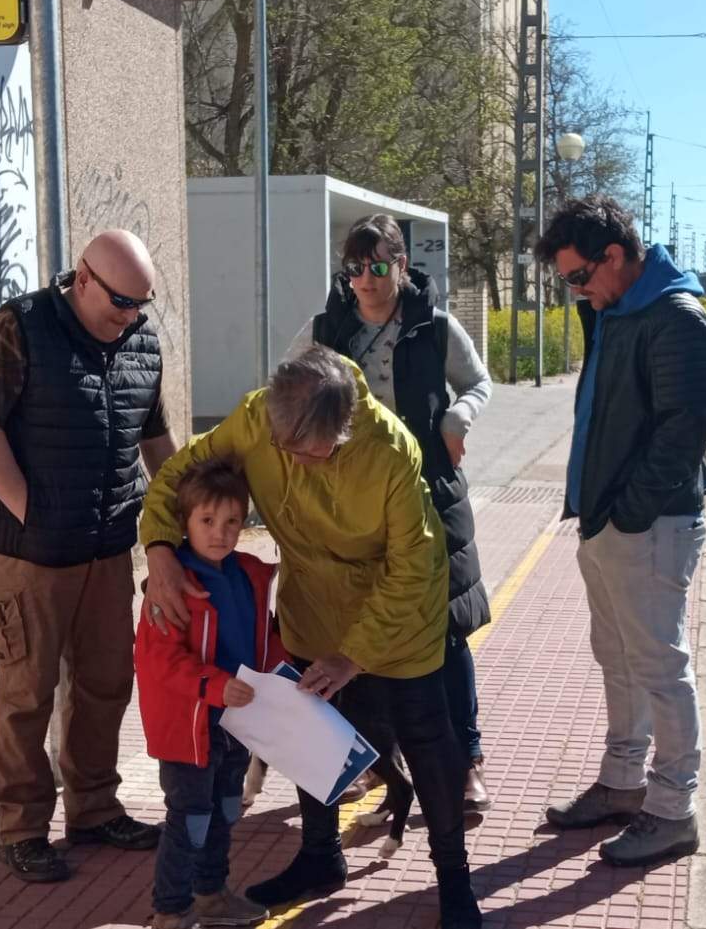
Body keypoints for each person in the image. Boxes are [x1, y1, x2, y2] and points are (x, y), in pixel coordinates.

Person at [139, 348, 481, 929]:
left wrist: (355, 656)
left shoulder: (393, 452)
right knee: (310, 734)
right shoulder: (257, 419)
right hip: (311, 607)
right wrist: (160, 548)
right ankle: (320, 856)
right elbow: (178, 476)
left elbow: (412, 570)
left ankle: (454, 879)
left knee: (427, 741)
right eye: (281, 448)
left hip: (399, 620)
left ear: (343, 434)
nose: (290, 460)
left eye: (308, 452)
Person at [0, 229, 174, 882]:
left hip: (108, 554)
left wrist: (183, 510)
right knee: (27, 693)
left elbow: (153, 436)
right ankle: (22, 828)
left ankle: (95, 808)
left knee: (106, 685)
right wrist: (28, 510)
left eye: (141, 304)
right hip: (33, 560)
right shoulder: (20, 327)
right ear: (83, 279)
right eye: (120, 301)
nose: (130, 316)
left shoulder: (140, 342)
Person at [532, 196, 706, 867]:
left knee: (660, 667)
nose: (577, 291)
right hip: (609, 521)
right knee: (619, 658)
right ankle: (622, 783)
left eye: (579, 276)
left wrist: (627, 510)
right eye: (568, 282)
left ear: (615, 256)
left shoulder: (677, 320)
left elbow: (683, 432)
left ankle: (672, 809)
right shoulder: (615, 311)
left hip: (649, 524)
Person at [287, 214, 495, 810]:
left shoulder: (435, 328)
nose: (366, 281)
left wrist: (459, 418)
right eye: (354, 269)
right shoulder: (326, 331)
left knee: (447, 633)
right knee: (359, 633)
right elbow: (282, 390)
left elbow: (478, 383)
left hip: (431, 495)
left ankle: (466, 762)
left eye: (379, 267)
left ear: (403, 265)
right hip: (352, 506)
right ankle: (377, 761)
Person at [135, 456, 280, 929]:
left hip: (236, 723)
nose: (220, 532)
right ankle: (170, 912)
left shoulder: (250, 575)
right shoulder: (172, 582)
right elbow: (161, 661)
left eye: (232, 521)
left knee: (226, 812)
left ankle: (213, 895)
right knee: (189, 820)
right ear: (184, 522)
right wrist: (215, 686)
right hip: (190, 728)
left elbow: (266, 637)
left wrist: (288, 675)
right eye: (207, 520)